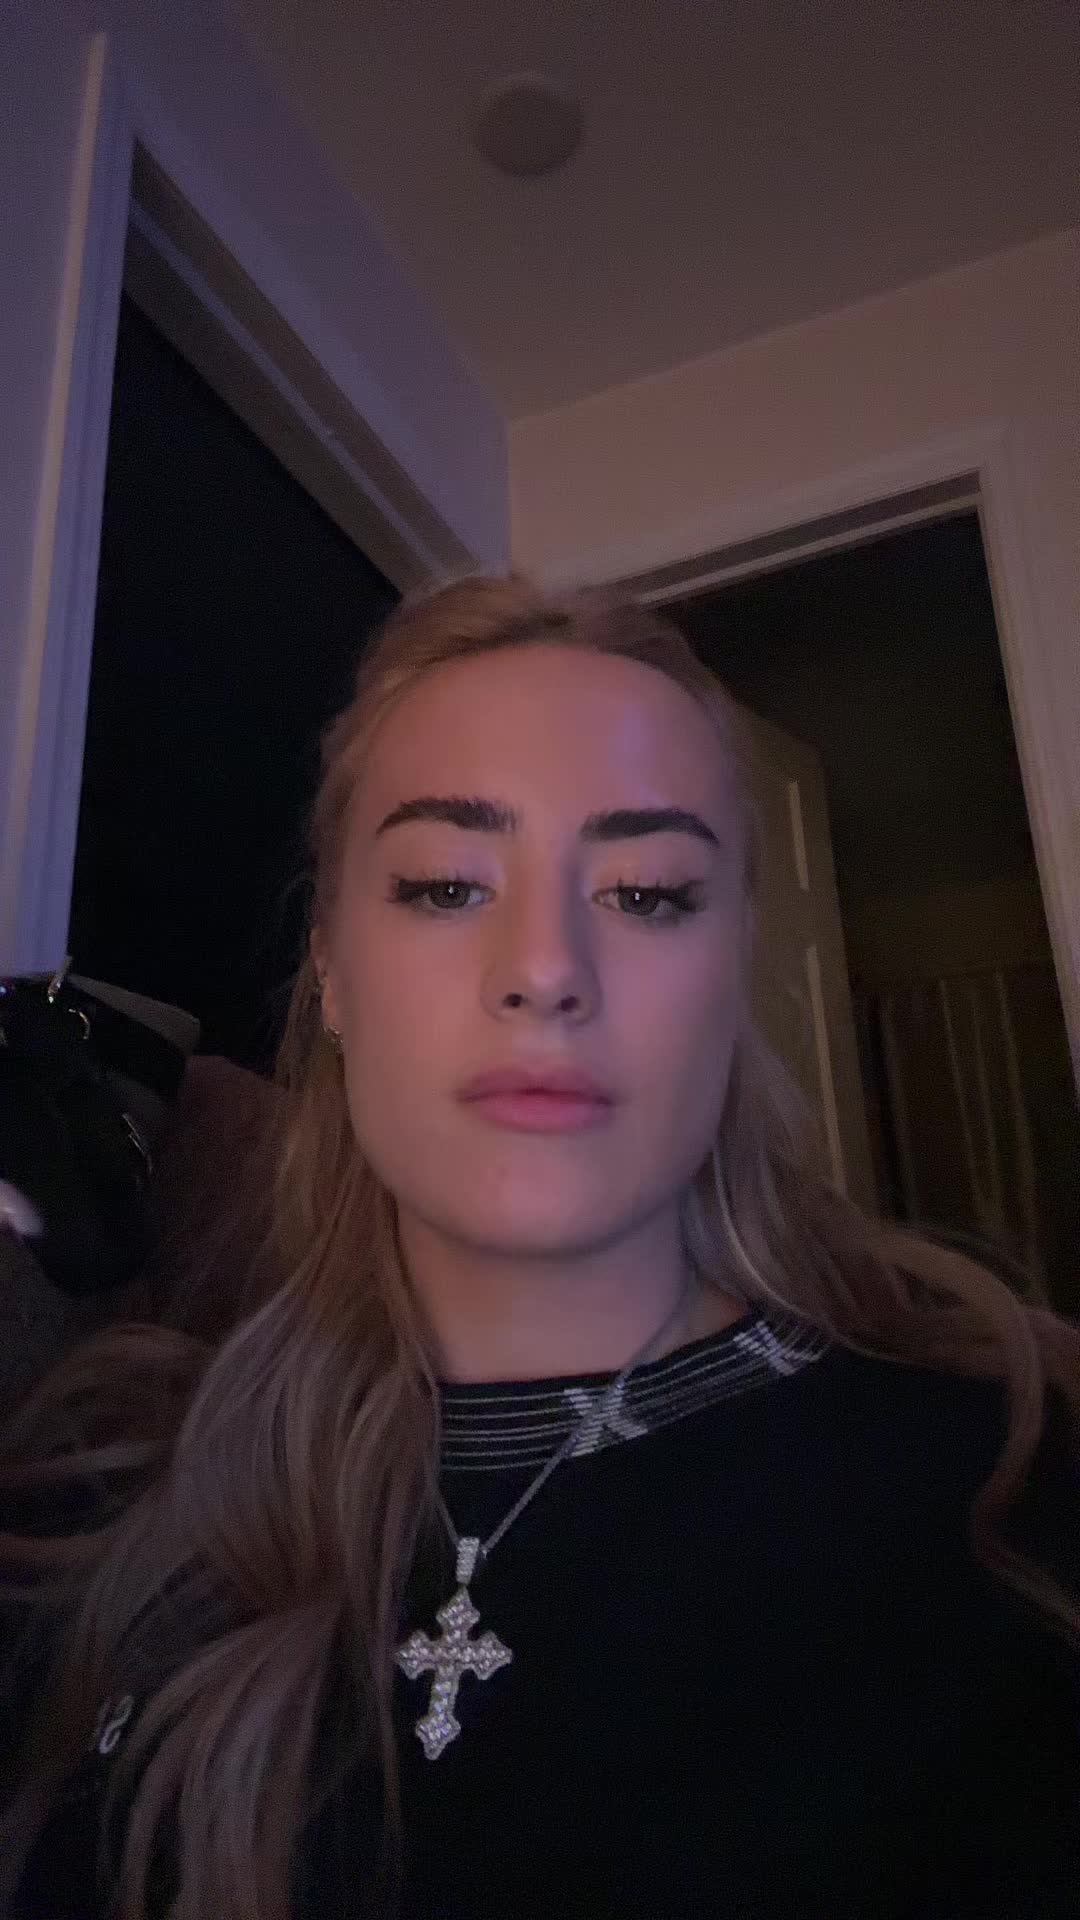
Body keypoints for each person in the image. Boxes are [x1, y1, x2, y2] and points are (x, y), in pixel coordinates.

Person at [1, 575, 1078, 1920]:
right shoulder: (110, 1504)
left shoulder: (1017, 1490)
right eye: (448, 883)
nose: (547, 967)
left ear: (735, 969)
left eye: (647, 893)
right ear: (332, 971)